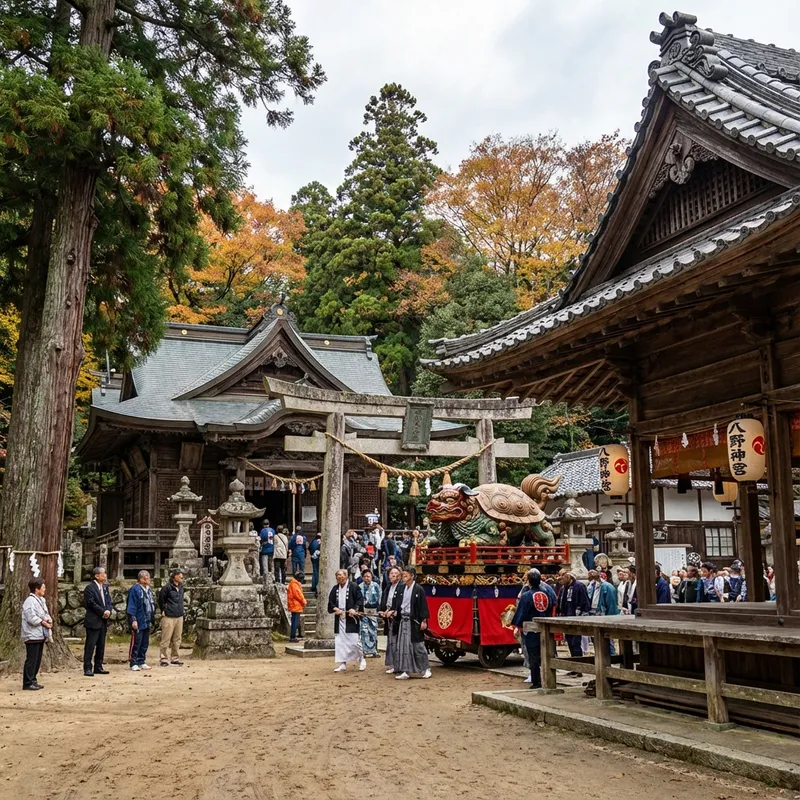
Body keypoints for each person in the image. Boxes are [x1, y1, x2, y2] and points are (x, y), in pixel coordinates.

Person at [512, 569, 557, 688]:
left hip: (532, 630)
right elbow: (553, 604)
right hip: (546, 628)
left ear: (529, 581)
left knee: (533, 657)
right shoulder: (547, 593)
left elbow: (521, 613)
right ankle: (550, 679)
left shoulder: (527, 596)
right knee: (546, 654)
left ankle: (537, 682)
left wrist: (517, 626)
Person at [391, 566, 431, 680]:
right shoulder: (401, 588)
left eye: (406, 575)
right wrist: (393, 612)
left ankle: (426, 668)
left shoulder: (418, 589)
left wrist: (424, 620)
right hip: (403, 620)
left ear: (412, 576)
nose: (403, 577)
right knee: (403, 646)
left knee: (418, 645)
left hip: (414, 621)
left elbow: (423, 606)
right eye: (403, 575)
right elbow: (398, 604)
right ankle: (405, 670)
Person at [328, 569, 366, 672]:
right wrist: (335, 609)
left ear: (346, 576)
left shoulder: (354, 586)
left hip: (351, 617)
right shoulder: (335, 589)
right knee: (340, 642)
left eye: (341, 575)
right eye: (338, 576)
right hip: (340, 618)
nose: (339, 578)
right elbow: (331, 602)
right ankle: (342, 663)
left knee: (354, 641)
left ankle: (362, 658)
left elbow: (360, 600)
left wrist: (355, 609)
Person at [21, 578, 53, 690]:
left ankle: (33, 680)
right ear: (36, 589)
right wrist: (43, 622)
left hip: (40, 634)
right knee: (31, 659)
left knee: (37, 659)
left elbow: (44, 613)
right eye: (43, 587)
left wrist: (48, 620)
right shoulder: (29, 601)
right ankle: (27, 682)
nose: (44, 589)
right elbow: (31, 617)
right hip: (31, 634)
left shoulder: (41, 600)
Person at [556, 571, 590, 674]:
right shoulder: (564, 588)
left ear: (569, 577)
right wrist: (559, 611)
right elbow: (561, 601)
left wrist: (581, 614)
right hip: (567, 617)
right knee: (570, 642)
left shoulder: (579, 586)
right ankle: (574, 667)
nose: (562, 579)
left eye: (564, 577)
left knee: (576, 643)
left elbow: (585, 601)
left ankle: (579, 668)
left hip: (576, 617)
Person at [83, 566, 113, 677]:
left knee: (101, 645)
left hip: (103, 621)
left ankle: (98, 666)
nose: (105, 575)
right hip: (93, 619)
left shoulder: (105, 588)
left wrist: (108, 610)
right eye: (103, 573)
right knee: (90, 645)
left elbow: (108, 601)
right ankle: (87, 667)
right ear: (97, 576)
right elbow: (90, 603)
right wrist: (102, 611)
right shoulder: (90, 588)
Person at [127, 570, 155, 671]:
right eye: (147, 578)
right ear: (141, 579)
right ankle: (133, 662)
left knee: (145, 642)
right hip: (138, 618)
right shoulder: (135, 590)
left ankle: (141, 660)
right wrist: (133, 619)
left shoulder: (148, 589)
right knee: (137, 641)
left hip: (147, 619)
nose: (149, 579)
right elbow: (132, 605)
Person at [158, 569, 185, 666]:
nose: (181, 576)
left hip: (179, 615)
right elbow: (161, 599)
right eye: (179, 575)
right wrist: (163, 610)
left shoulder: (181, 587)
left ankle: (175, 657)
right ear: (174, 576)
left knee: (177, 638)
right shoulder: (167, 588)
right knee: (166, 638)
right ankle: (163, 658)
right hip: (169, 615)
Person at [379, 565, 402, 674]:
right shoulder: (388, 587)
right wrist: (381, 610)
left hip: (398, 618)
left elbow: (400, 603)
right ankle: (392, 664)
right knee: (391, 642)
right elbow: (383, 601)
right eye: (391, 573)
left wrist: (393, 611)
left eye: (395, 573)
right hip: (388, 617)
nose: (393, 575)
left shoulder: (401, 587)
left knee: (397, 642)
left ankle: (399, 665)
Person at [359, 570, 381, 657]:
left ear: (371, 577)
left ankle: (374, 650)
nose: (367, 578)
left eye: (368, 576)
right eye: (365, 576)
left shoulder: (376, 586)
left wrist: (378, 606)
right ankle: (364, 650)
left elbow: (380, 596)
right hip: (364, 611)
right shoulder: (360, 586)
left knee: (373, 630)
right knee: (364, 630)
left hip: (373, 610)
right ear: (362, 577)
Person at [287, 571, 307, 642]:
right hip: (296, 605)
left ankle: (296, 635)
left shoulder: (293, 583)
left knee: (295, 621)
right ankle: (292, 636)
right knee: (295, 622)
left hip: (295, 605)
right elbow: (298, 594)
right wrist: (303, 601)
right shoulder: (294, 584)